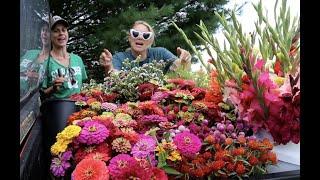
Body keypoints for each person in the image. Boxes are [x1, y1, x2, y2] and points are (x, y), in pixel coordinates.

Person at [99, 20, 192, 75]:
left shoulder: (161, 53)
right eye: (135, 34)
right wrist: (108, 66)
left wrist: (185, 60)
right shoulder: (119, 57)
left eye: (145, 35)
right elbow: (113, 75)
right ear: (129, 38)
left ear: (150, 41)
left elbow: (180, 70)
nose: (140, 37)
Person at [41, 15, 88, 99]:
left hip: (78, 108)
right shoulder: (46, 61)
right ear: (50, 36)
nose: (61, 33)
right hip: (57, 108)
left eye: (64, 30)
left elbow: (83, 87)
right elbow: (41, 94)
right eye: (56, 31)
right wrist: (53, 88)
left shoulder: (77, 59)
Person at [20, 18, 50, 98]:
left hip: (31, 102)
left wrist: (39, 78)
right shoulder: (29, 53)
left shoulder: (54, 60)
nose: (44, 33)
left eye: (48, 31)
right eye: (43, 30)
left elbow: (55, 86)